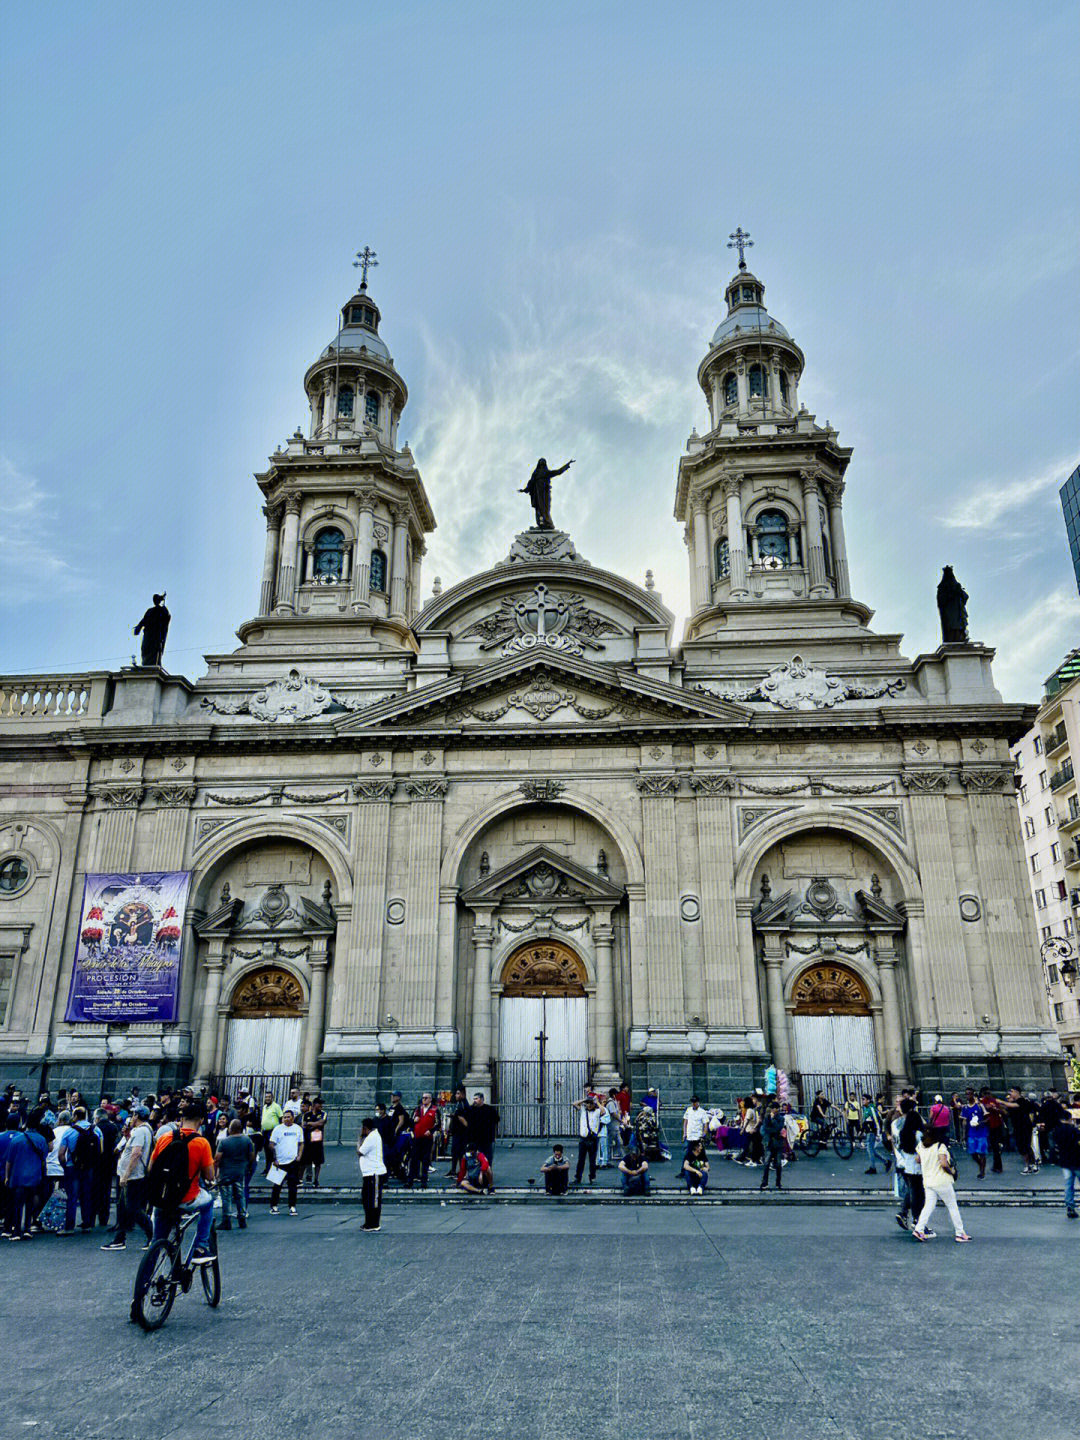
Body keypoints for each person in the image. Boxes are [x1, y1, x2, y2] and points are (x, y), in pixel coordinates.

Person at [146, 1099, 216, 1264]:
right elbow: (209, 1176)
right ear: (201, 1121)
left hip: (162, 1197)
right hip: (186, 1198)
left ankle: (144, 1283)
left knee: (157, 1240)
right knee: (208, 1203)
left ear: (182, 1118)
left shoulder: (165, 1137)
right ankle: (201, 1247)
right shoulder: (202, 1142)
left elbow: (151, 1168)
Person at [102, 1106, 154, 1251]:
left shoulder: (140, 1131)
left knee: (133, 1209)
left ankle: (152, 1236)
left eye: (133, 1115)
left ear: (137, 1116)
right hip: (133, 1175)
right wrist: (126, 1137)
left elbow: (136, 1153)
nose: (131, 1118)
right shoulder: (145, 1130)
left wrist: (126, 1175)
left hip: (133, 1176)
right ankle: (119, 1238)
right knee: (123, 1207)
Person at [912, 1129, 970, 1243]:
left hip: (928, 1181)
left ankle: (919, 1229)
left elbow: (917, 1160)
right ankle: (960, 1233)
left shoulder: (921, 1146)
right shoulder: (940, 1146)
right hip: (941, 1181)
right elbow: (944, 1163)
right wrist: (951, 1171)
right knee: (952, 1206)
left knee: (929, 1205)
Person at [59, 1105, 102, 1233]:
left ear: (76, 1116)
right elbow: (101, 1150)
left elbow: (61, 1154)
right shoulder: (96, 1130)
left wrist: (65, 1166)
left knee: (72, 1196)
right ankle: (87, 1223)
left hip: (73, 1166)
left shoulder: (69, 1131)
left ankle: (69, 1227)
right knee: (86, 1195)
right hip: (89, 1167)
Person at [892, 1099, 926, 1232]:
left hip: (901, 1160)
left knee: (911, 1189)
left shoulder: (896, 1123)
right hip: (914, 1163)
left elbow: (894, 1142)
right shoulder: (914, 1124)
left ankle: (904, 1212)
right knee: (917, 1191)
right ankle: (916, 1218)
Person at [215, 1119, 254, 1231]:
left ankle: (226, 1220)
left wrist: (215, 1171)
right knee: (240, 1195)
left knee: (226, 1197)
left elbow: (217, 1158)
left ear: (230, 1129)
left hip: (226, 1172)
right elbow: (251, 1155)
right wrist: (248, 1167)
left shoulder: (224, 1141)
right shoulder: (247, 1140)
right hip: (240, 1171)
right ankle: (242, 1218)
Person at [268, 1107, 305, 1215]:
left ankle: (292, 1206)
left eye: (288, 1117)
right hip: (279, 1162)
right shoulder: (277, 1129)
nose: (286, 1119)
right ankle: (274, 1206)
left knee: (292, 1185)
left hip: (292, 1161)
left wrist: (299, 1155)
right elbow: (271, 1145)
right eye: (284, 1117)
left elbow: (301, 1143)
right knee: (277, 1186)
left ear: (293, 1118)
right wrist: (274, 1159)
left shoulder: (298, 1129)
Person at [357, 1117, 387, 1230]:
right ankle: (368, 1221)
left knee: (373, 1199)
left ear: (365, 1128)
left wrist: (359, 1139)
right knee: (366, 1198)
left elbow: (360, 1151)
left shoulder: (372, 1137)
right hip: (368, 1173)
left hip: (374, 1173)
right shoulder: (372, 1136)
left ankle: (374, 1223)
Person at [1001, 1087, 1039, 1172]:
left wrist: (1000, 1101)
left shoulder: (1022, 1101)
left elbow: (1014, 1105)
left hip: (1025, 1127)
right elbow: (1007, 1113)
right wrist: (998, 1107)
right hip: (1017, 1127)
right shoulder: (1013, 1103)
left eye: (1011, 1091)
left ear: (1017, 1092)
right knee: (1021, 1147)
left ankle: (1031, 1164)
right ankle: (1029, 1165)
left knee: (1026, 1146)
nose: (1010, 1094)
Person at [1049, 1112, 1079, 1219]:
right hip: (1076, 1160)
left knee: (1068, 1184)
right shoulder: (1074, 1130)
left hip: (1064, 1161)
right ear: (1070, 1119)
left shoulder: (1056, 1130)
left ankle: (1070, 1206)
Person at [410, 1092, 440, 1189]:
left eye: (426, 1098)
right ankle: (410, 1180)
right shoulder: (418, 1109)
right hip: (417, 1137)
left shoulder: (435, 1110)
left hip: (427, 1138)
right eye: (423, 1098)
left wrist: (431, 1131)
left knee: (425, 1160)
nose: (424, 1099)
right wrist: (414, 1121)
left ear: (430, 1099)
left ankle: (424, 1181)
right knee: (414, 1159)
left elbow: (438, 1124)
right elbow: (410, 1120)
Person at [957, 1089, 989, 1180]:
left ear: (973, 1095)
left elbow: (987, 1118)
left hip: (981, 1132)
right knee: (973, 1153)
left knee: (982, 1153)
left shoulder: (980, 1106)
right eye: (966, 1094)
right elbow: (964, 1121)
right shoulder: (966, 1108)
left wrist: (980, 1122)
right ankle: (981, 1165)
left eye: (969, 1094)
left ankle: (982, 1172)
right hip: (971, 1133)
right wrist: (963, 1135)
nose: (968, 1096)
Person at [572, 1095, 602, 1185]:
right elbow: (574, 1104)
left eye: (591, 1103)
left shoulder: (597, 1111)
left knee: (592, 1160)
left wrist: (597, 1102)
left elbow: (603, 1111)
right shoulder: (583, 1111)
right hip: (583, 1138)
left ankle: (592, 1177)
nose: (589, 1105)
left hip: (592, 1139)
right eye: (587, 1103)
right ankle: (578, 1177)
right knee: (581, 1159)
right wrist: (584, 1099)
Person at [758, 1102, 786, 1191]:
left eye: (775, 1108)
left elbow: (778, 1128)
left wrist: (773, 1121)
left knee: (778, 1164)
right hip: (769, 1142)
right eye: (772, 1108)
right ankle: (764, 1182)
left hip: (777, 1143)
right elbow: (766, 1128)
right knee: (766, 1163)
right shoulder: (767, 1118)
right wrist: (774, 1129)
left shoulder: (781, 1118)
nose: (773, 1110)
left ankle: (778, 1182)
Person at [446, 1086, 470, 1178]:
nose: (456, 1095)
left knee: (459, 1153)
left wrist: (467, 1129)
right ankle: (454, 1170)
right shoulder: (459, 1103)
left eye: (458, 1093)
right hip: (457, 1132)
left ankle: (461, 1171)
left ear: (463, 1094)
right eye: (456, 1093)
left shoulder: (462, 1104)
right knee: (455, 1152)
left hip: (460, 1133)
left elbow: (462, 1118)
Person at [304, 1096, 327, 1188]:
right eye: (319, 1104)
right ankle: (309, 1176)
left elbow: (321, 1123)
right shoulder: (307, 1114)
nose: (321, 1105)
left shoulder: (323, 1113)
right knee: (308, 1160)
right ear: (314, 1105)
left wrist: (310, 1124)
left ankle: (316, 1179)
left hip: (318, 1141)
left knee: (318, 1162)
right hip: (308, 1140)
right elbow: (304, 1125)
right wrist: (315, 1125)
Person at [980, 1088, 1005, 1173]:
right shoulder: (987, 1101)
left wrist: (995, 1109)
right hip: (992, 1125)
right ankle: (996, 1165)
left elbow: (1003, 1111)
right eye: (986, 1093)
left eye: (988, 1093)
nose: (988, 1095)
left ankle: (998, 1166)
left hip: (992, 1126)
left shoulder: (987, 1101)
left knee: (995, 1147)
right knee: (995, 1147)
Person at [862, 1094, 887, 1175]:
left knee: (870, 1150)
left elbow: (876, 1121)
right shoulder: (866, 1108)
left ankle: (873, 1167)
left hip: (872, 1132)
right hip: (868, 1131)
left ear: (868, 1100)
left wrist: (877, 1133)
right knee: (871, 1150)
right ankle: (886, 1161)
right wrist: (861, 1130)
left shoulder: (871, 1108)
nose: (862, 1101)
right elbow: (865, 1120)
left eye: (864, 1099)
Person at [260, 1092, 283, 1175]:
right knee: (266, 1151)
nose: (267, 1098)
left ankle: (275, 1169)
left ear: (272, 1098)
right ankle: (267, 1168)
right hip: (265, 1132)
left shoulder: (276, 1106)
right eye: (266, 1097)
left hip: (273, 1132)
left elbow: (281, 1118)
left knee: (273, 1151)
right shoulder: (264, 1107)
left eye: (269, 1097)